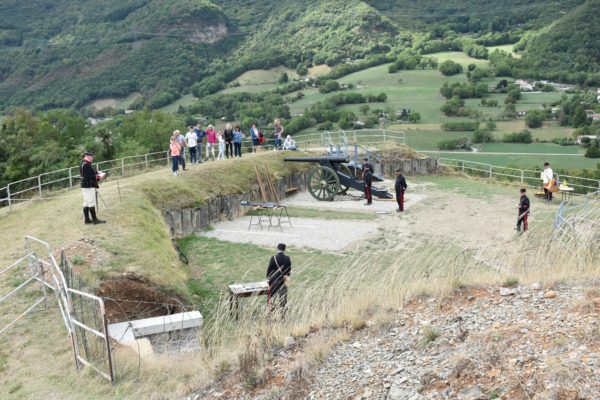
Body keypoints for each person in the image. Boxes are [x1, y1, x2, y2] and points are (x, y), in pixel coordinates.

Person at [80, 151, 106, 224]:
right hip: (88, 185)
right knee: (91, 202)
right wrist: (99, 177)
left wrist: (97, 172)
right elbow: (89, 176)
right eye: (92, 156)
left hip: (85, 185)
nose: (92, 158)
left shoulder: (84, 163)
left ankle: (87, 220)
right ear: (88, 156)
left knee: (86, 202)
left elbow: (89, 173)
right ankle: (94, 220)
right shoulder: (85, 164)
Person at [266, 243, 291, 319]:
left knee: (272, 299)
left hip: (274, 282)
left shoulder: (273, 258)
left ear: (277, 249)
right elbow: (289, 272)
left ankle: (271, 316)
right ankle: (282, 316)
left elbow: (268, 272)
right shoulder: (287, 258)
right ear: (284, 249)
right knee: (283, 300)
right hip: (283, 282)